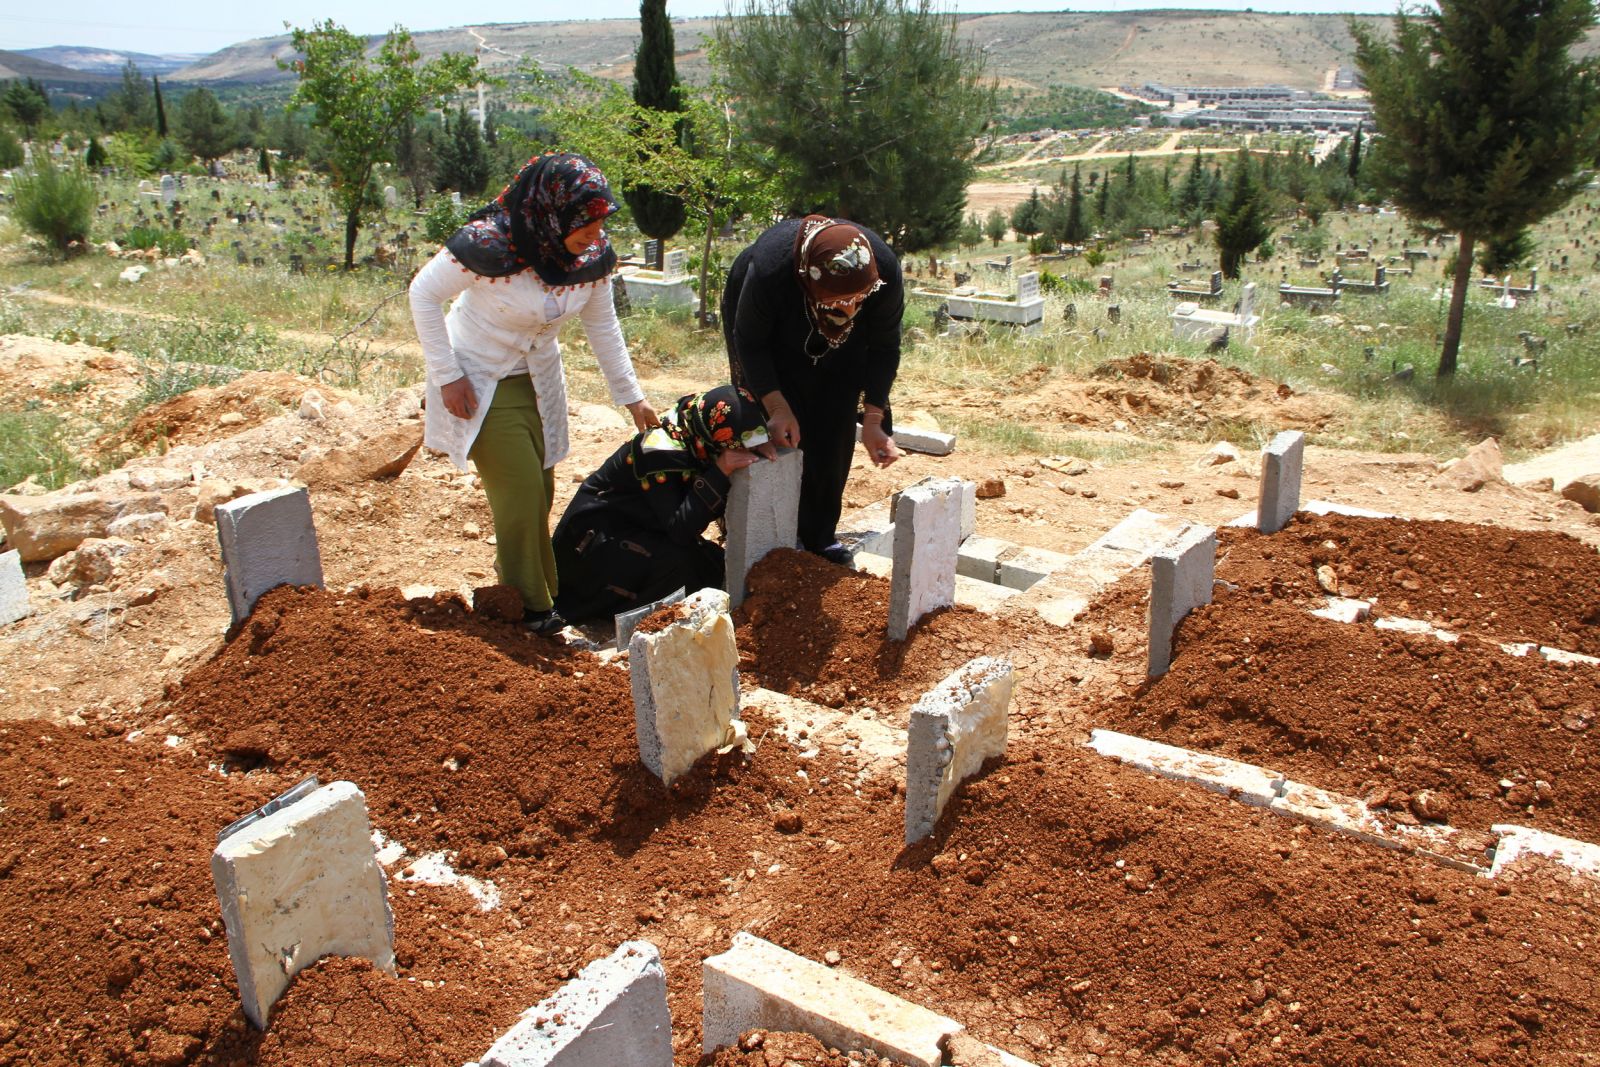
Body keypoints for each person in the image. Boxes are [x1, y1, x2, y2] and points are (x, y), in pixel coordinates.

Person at [409, 152, 658, 635]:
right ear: (553, 211)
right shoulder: (487, 244)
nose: (594, 232)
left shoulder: (591, 256)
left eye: (601, 220)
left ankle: (521, 590)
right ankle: (531, 608)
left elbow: (603, 326)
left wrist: (632, 396)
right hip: (480, 378)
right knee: (520, 493)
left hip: (540, 379)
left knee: (541, 491)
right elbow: (423, 293)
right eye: (585, 220)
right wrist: (447, 376)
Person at [721, 215, 903, 565]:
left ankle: (819, 535)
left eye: (858, 299)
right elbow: (751, 343)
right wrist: (777, 407)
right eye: (840, 301)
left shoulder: (882, 275)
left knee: (835, 417)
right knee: (764, 427)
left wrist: (874, 421)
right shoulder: (768, 273)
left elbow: (885, 347)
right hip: (771, 328)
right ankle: (753, 532)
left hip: (843, 337)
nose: (849, 309)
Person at [551, 385, 768, 623]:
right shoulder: (661, 450)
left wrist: (760, 442)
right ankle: (619, 617)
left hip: (641, 528)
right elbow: (680, 530)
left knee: (714, 566)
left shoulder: (694, 428)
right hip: (593, 544)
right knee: (680, 567)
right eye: (736, 447)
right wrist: (721, 470)